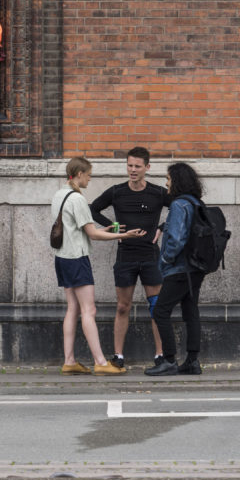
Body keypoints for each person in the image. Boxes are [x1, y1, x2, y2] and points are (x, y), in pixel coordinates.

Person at [53, 157, 146, 375]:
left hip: (62, 257)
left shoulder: (59, 194)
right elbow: (92, 234)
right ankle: (101, 362)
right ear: (79, 174)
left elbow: (78, 229)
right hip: (77, 258)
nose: (89, 179)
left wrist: (110, 229)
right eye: (88, 175)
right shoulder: (77, 199)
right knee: (89, 310)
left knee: (73, 309)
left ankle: (69, 360)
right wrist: (125, 235)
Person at [89, 146, 171, 370]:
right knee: (123, 306)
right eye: (130, 165)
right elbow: (92, 209)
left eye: (137, 166)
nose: (133, 170)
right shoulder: (117, 192)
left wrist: (163, 227)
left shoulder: (157, 193)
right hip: (125, 257)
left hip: (150, 256)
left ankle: (160, 355)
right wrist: (112, 227)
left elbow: (180, 207)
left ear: (147, 167)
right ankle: (118, 356)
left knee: (156, 307)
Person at [144, 161, 206, 377]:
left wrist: (166, 260)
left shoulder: (179, 205)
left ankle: (169, 360)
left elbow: (177, 239)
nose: (166, 183)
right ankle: (192, 361)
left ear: (177, 181)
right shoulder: (195, 202)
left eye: (169, 179)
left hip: (179, 269)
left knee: (160, 311)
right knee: (190, 312)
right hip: (195, 268)